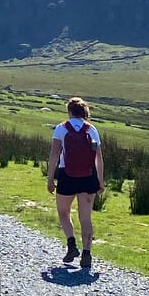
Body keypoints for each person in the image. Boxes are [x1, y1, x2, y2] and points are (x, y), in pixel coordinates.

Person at [47, 96, 104, 272]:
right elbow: (99, 159)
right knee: (86, 218)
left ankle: (71, 243)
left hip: (67, 175)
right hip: (89, 177)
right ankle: (87, 253)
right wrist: (100, 181)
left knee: (63, 212)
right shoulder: (92, 129)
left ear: (69, 111)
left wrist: (50, 178)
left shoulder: (61, 128)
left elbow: (54, 156)